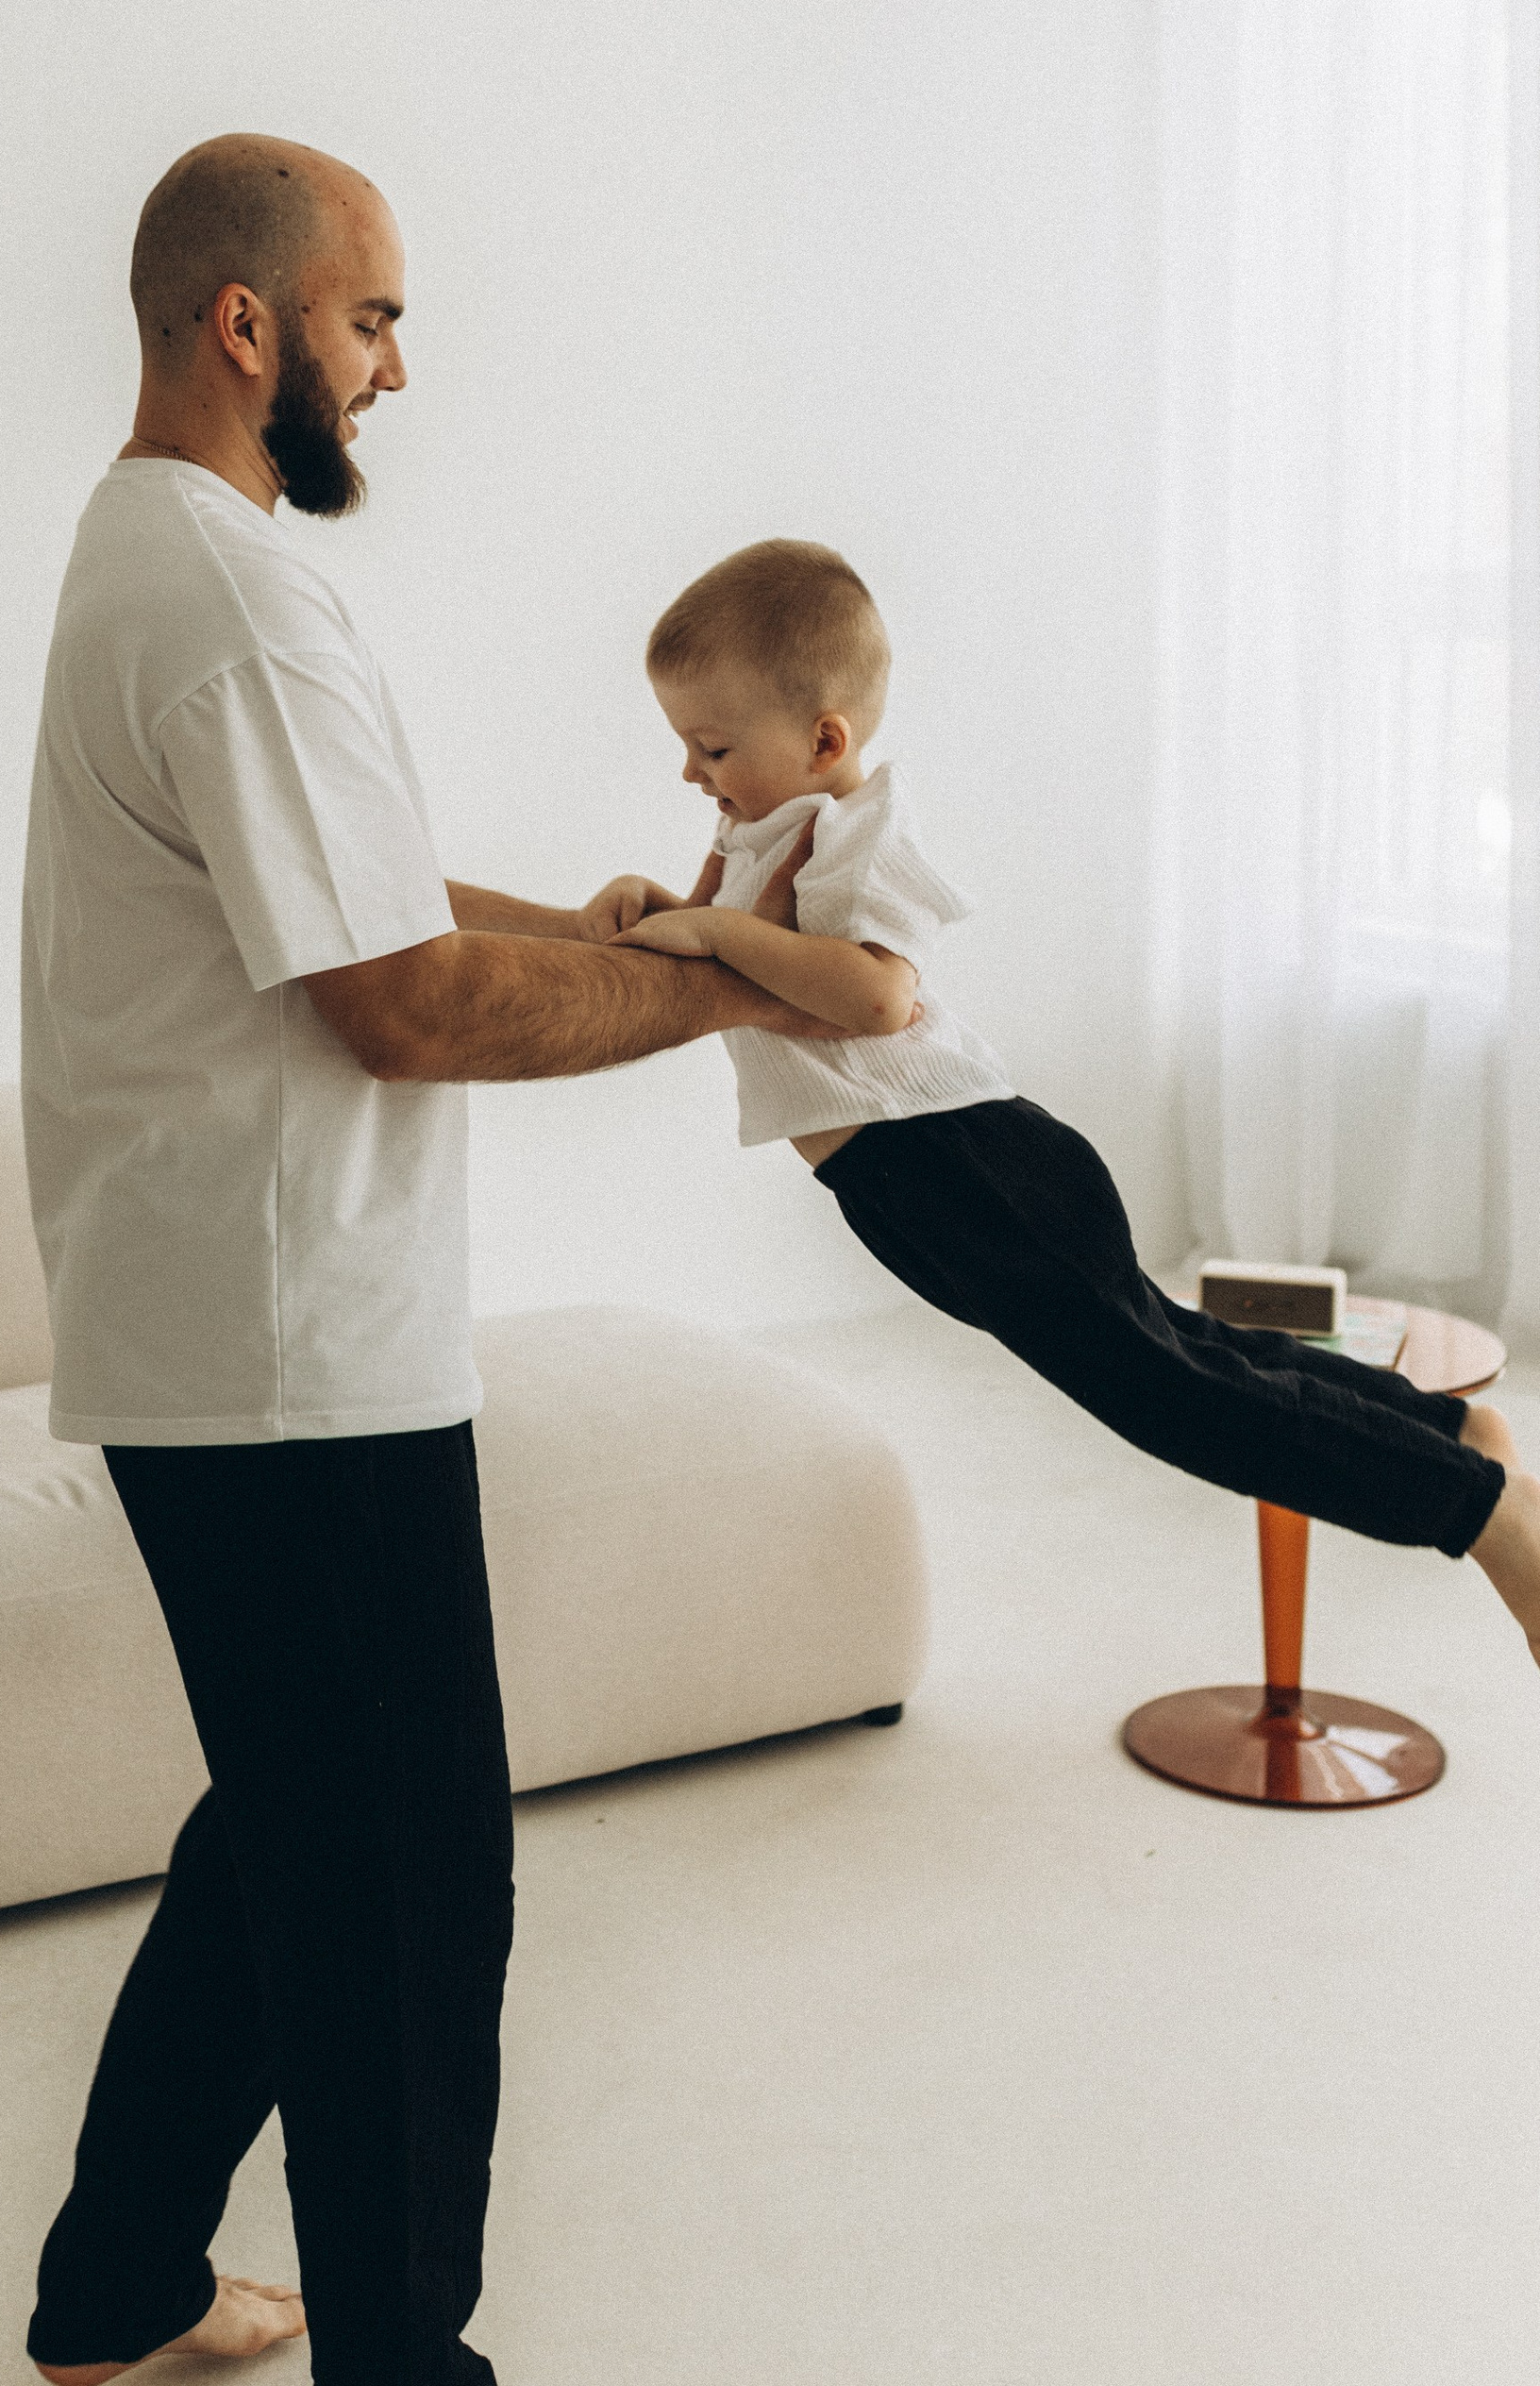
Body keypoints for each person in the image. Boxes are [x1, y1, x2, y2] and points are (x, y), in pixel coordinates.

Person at [18, 138, 837, 2386]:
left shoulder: (159, 556)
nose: (399, 363)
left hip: (236, 1315)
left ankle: (113, 2278)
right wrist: (715, 1002)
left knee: (287, 1817)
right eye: (375, 316)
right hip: (288, 1340)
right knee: (402, 1856)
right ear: (248, 323)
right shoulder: (230, 603)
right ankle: (401, 2382)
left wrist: (666, 944)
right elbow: (395, 997)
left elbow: (364, 893)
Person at [613, 536, 1540, 1648]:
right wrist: (662, 907)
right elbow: (741, 959)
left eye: (709, 746)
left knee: (1171, 1394)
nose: (690, 773)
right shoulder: (762, 820)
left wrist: (710, 925)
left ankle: (1488, 1520)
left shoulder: (862, 833)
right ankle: (1451, 1431)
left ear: (825, 739)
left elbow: (873, 998)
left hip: (957, 1157)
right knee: (1183, 1349)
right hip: (906, 1178)